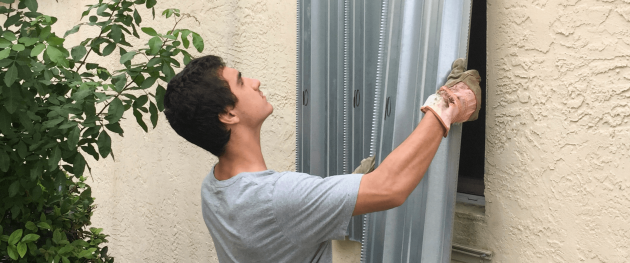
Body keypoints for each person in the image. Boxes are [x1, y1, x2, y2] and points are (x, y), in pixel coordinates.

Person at [163, 55, 481, 263]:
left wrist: (342, 196)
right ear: (228, 113)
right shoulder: (276, 197)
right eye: (241, 81)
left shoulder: (214, 188)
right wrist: (446, 105)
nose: (255, 82)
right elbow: (391, 187)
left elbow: (286, 239)